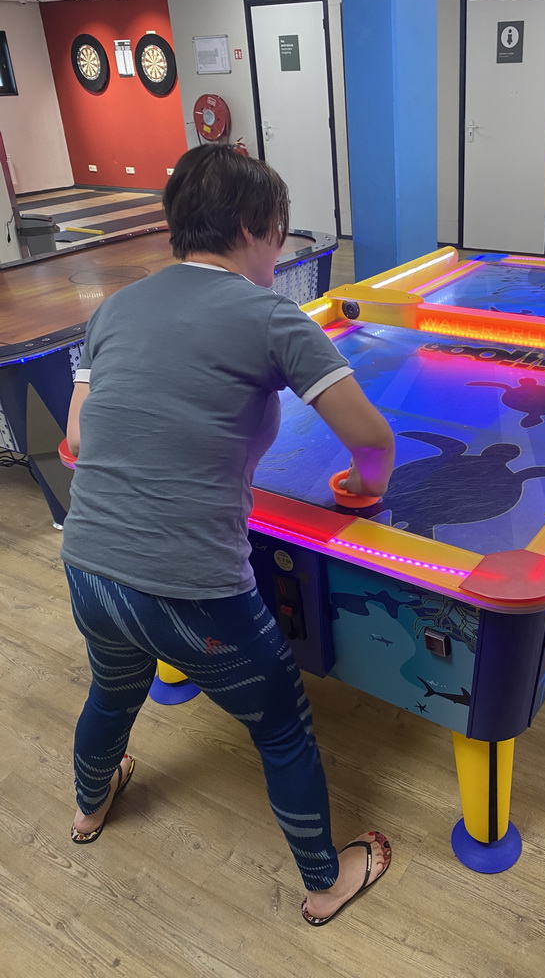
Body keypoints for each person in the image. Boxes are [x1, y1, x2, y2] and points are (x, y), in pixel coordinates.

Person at [61, 144, 395, 926]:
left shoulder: (113, 306)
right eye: (277, 236)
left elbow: (76, 439)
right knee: (280, 720)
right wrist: (365, 484)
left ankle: (88, 808)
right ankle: (324, 883)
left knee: (114, 687)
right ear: (252, 227)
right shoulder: (267, 313)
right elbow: (372, 438)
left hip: (87, 565)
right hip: (193, 591)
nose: (277, 256)